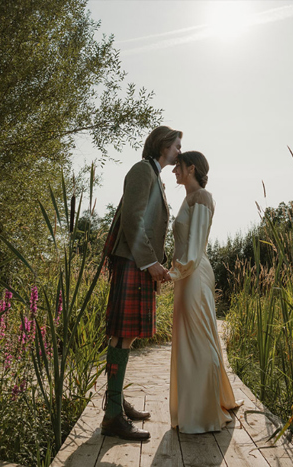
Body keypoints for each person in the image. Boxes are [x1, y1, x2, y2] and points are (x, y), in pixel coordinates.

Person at [101, 126, 182, 440]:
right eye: (176, 145)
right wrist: (151, 263)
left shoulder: (153, 174)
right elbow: (134, 218)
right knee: (122, 336)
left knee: (126, 337)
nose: (179, 150)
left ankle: (116, 403)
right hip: (134, 262)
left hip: (139, 262)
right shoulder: (141, 170)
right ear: (163, 145)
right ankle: (111, 416)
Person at [168, 151, 242, 433]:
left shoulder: (201, 197)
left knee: (198, 341)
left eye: (179, 166)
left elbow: (195, 247)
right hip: (185, 276)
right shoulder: (188, 199)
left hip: (193, 275)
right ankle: (195, 409)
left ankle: (205, 412)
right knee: (190, 341)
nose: (174, 171)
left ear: (191, 168)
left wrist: (174, 272)